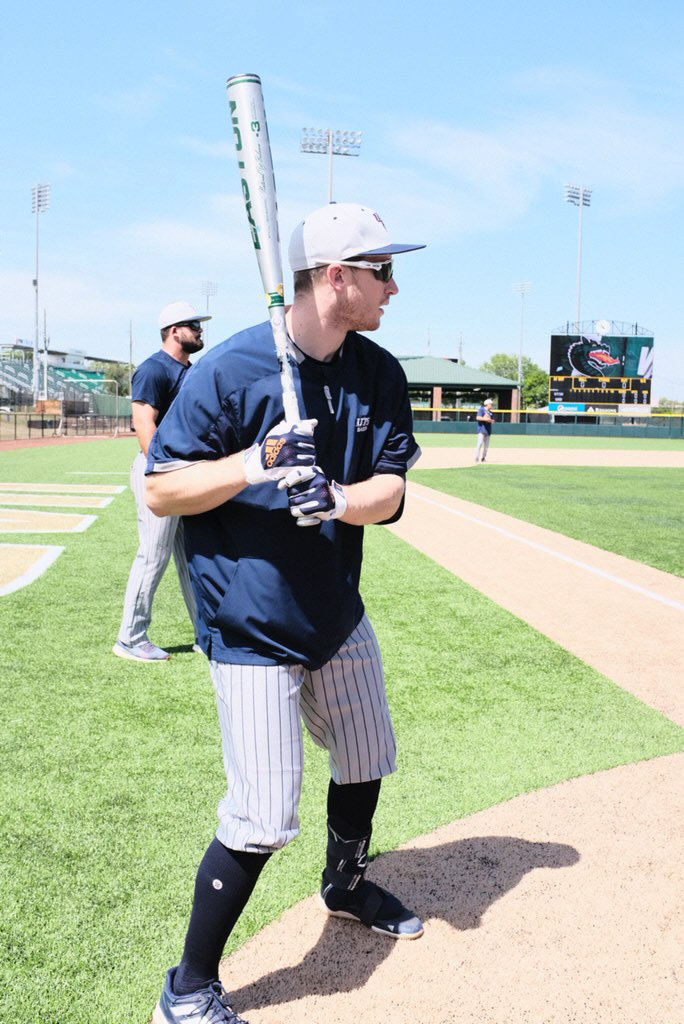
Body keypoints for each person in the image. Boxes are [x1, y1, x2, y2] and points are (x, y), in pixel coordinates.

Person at [145, 203, 426, 1024]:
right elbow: (161, 488)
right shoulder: (230, 371)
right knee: (264, 815)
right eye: (381, 271)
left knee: (368, 754)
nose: (393, 287)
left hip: (335, 609)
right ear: (336, 277)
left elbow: (391, 490)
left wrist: (335, 497)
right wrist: (253, 462)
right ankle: (187, 989)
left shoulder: (378, 372)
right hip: (251, 623)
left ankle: (345, 885)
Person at [112, 301, 210, 662]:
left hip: (184, 473)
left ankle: (206, 634)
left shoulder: (192, 371)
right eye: (193, 325)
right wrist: (160, 472)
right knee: (153, 554)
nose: (199, 331)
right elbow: (144, 424)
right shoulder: (154, 369)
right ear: (174, 331)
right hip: (159, 471)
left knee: (191, 555)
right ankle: (130, 638)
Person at [475, 397, 495, 463]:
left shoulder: (491, 412)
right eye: (491, 404)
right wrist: (485, 419)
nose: (492, 405)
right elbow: (478, 418)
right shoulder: (481, 410)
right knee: (480, 443)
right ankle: (477, 457)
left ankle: (483, 458)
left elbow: (492, 420)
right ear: (487, 404)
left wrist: (491, 420)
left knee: (486, 446)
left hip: (488, 430)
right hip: (481, 430)